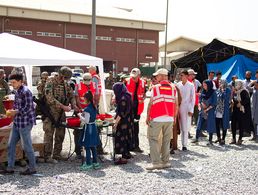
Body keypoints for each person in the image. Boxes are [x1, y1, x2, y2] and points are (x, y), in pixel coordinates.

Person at [0, 73, 37, 175]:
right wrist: (8, 114)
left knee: (27, 147)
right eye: (11, 83)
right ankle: (10, 168)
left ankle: (33, 168)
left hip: (25, 123)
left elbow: (28, 108)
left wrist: (14, 112)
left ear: (21, 81)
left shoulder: (26, 92)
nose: (12, 84)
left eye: (14, 82)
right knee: (10, 145)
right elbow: (16, 107)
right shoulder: (17, 92)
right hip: (17, 122)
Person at [43, 66, 78, 163]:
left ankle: (57, 154)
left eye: (67, 79)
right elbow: (49, 97)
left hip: (61, 114)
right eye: (65, 78)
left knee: (60, 134)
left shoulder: (65, 84)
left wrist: (74, 105)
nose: (65, 80)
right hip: (50, 113)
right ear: (61, 75)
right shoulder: (50, 81)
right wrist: (63, 106)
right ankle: (47, 156)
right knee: (49, 134)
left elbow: (71, 95)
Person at [146, 68, 178, 170]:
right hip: (169, 118)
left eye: (157, 75)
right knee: (166, 140)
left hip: (157, 118)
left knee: (153, 139)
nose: (156, 77)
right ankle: (165, 162)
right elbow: (176, 104)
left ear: (162, 76)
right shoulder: (173, 88)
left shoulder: (155, 88)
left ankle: (156, 163)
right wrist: (175, 117)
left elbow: (150, 104)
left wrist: (147, 116)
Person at [112, 82, 134, 165]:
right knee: (127, 137)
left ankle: (124, 158)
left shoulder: (123, 99)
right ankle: (127, 153)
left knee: (123, 138)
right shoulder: (127, 95)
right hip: (129, 121)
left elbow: (121, 113)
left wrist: (115, 123)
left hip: (124, 122)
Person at [78, 91, 101, 170]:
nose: (83, 99)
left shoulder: (87, 109)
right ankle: (95, 163)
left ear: (86, 99)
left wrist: (80, 116)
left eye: (84, 98)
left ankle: (88, 163)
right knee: (93, 146)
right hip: (93, 127)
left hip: (89, 128)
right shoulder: (94, 106)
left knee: (87, 146)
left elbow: (86, 121)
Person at [126, 68, 146, 153]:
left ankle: (136, 146)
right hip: (128, 109)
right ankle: (129, 146)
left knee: (136, 127)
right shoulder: (127, 81)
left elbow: (144, 93)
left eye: (135, 77)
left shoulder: (142, 82)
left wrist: (143, 98)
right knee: (128, 127)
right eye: (132, 76)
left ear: (139, 76)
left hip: (138, 109)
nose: (133, 78)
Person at [192, 80, 217, 145]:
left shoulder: (213, 93)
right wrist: (200, 105)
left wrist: (207, 109)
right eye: (203, 85)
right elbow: (200, 100)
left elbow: (214, 103)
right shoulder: (203, 91)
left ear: (209, 85)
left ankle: (210, 140)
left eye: (205, 85)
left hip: (210, 111)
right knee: (199, 124)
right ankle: (196, 138)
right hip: (202, 111)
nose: (204, 86)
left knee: (210, 125)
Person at [176, 70, 195, 151]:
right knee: (178, 126)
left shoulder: (191, 85)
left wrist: (191, 110)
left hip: (187, 108)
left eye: (182, 75)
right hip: (178, 108)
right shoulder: (178, 84)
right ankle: (176, 144)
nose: (181, 76)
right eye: (180, 75)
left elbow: (193, 98)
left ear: (187, 76)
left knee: (185, 127)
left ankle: (184, 145)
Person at [230, 80, 253, 145]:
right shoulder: (235, 91)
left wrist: (241, 104)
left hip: (241, 110)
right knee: (233, 124)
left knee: (241, 125)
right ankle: (233, 138)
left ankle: (240, 139)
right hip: (234, 110)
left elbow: (247, 100)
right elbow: (233, 98)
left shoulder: (244, 91)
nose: (236, 85)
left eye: (237, 84)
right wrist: (232, 101)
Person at [215, 80, 231, 145]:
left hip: (224, 110)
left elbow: (225, 98)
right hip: (218, 110)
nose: (219, 84)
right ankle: (218, 137)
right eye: (219, 83)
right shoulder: (218, 90)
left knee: (224, 125)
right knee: (217, 125)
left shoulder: (228, 90)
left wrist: (222, 91)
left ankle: (223, 139)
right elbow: (216, 97)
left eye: (220, 83)